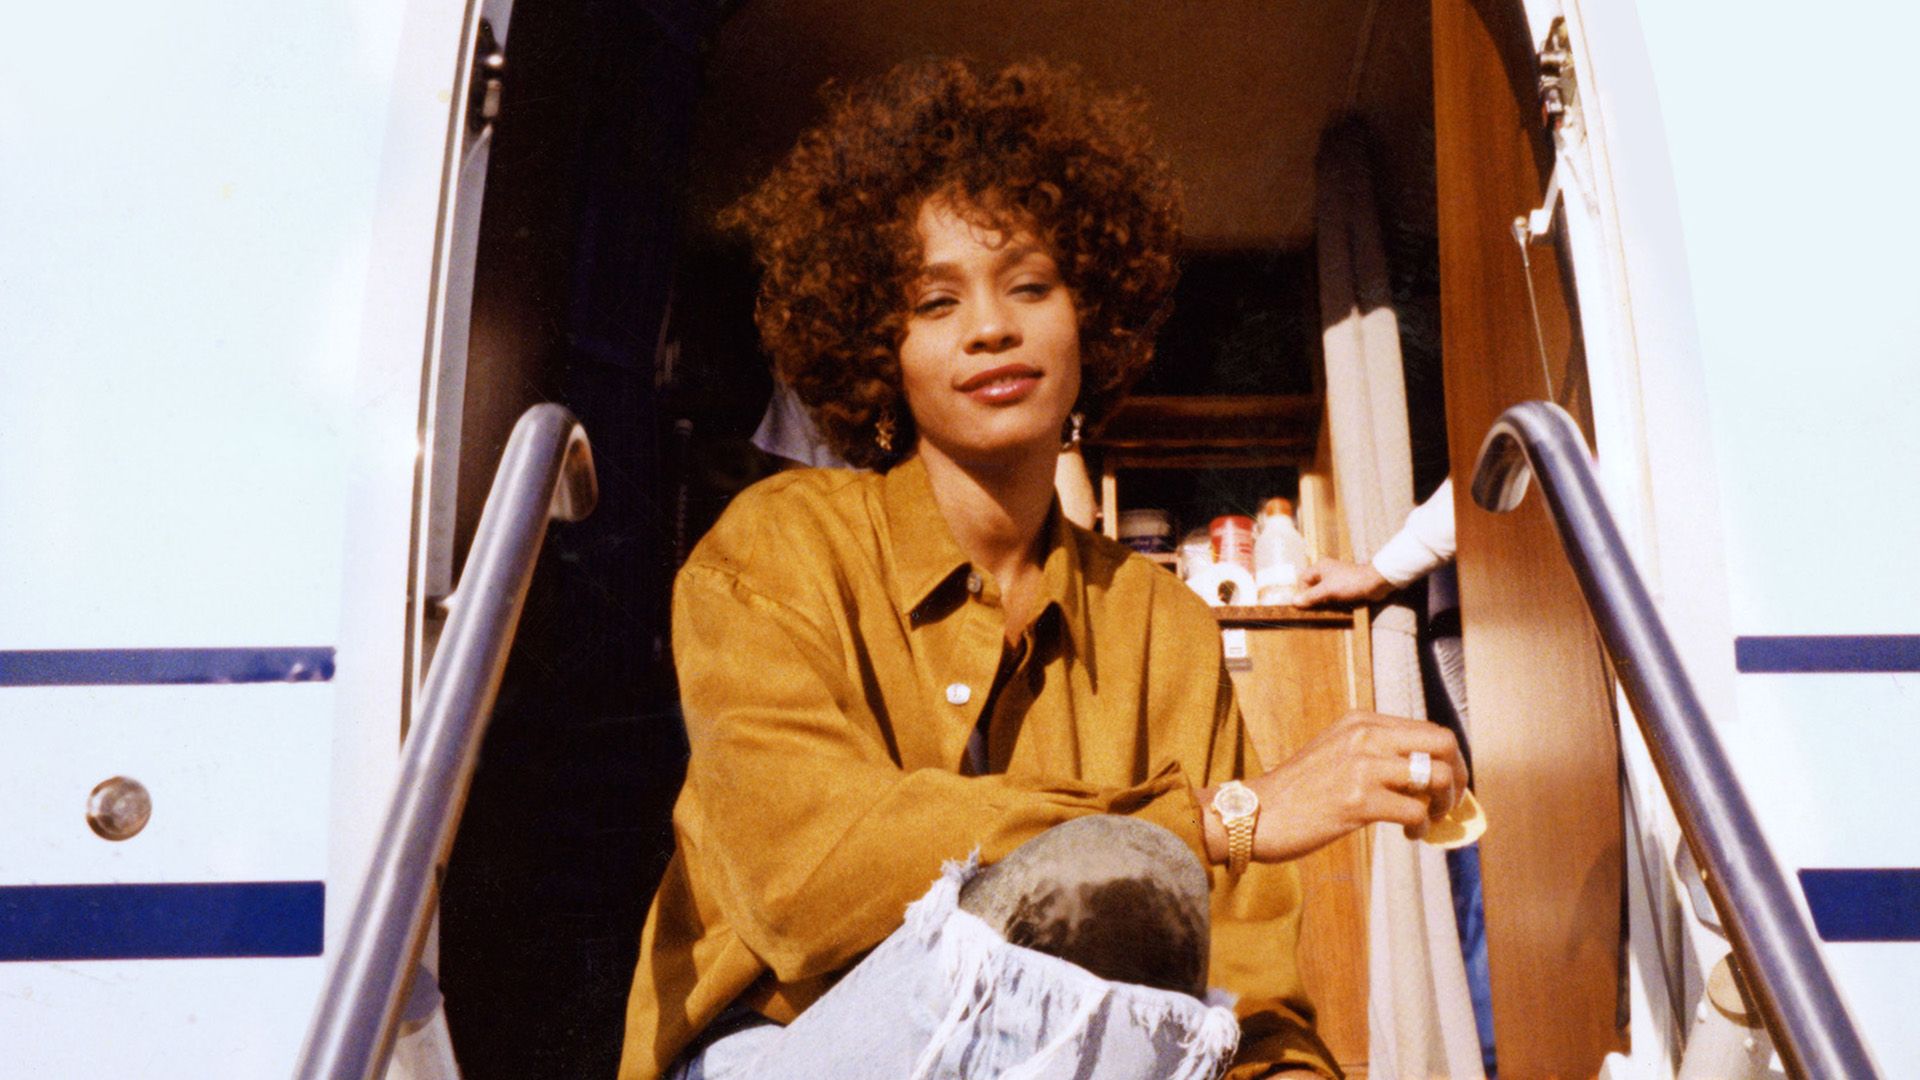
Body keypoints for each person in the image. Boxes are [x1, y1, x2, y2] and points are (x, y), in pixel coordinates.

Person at [618, 58, 1467, 1080]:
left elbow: (1241, 995)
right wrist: (1219, 818)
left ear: (1088, 319)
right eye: (935, 302)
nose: (989, 327)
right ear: (877, 347)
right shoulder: (777, 545)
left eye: (1030, 284)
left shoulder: (1163, 626)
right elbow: (808, 879)